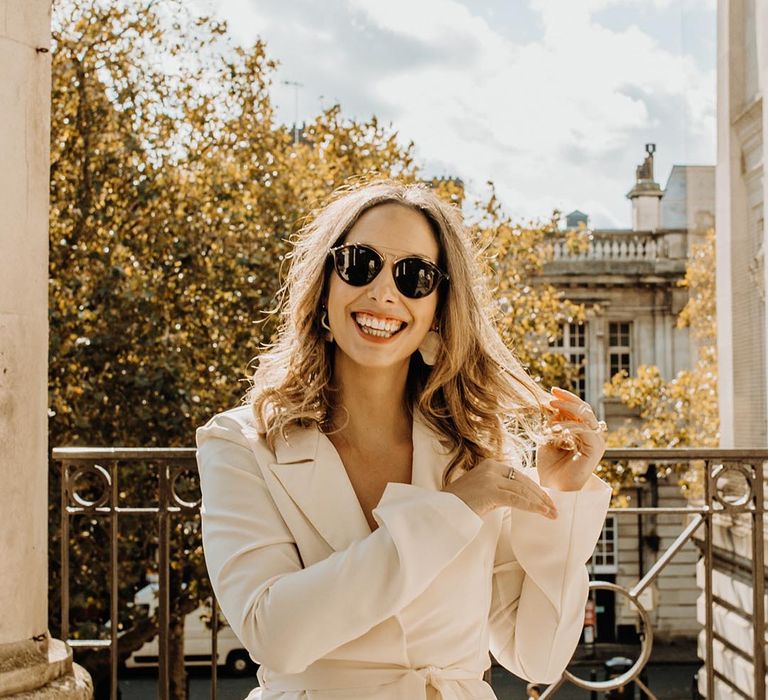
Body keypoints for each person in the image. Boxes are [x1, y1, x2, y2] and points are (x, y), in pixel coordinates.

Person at [196, 180, 611, 700]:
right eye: (359, 264)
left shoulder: (474, 445)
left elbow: (537, 657)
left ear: (438, 310)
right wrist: (453, 509)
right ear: (324, 288)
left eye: (415, 275)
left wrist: (561, 497)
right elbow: (275, 635)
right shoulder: (240, 444)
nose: (384, 292)